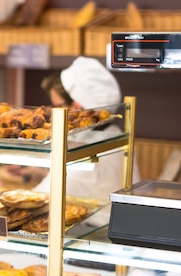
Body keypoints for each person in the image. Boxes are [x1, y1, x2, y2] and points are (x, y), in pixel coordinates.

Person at [35, 57, 141, 223]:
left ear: (77, 106)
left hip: (91, 236)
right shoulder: (114, 136)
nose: (52, 112)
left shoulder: (88, 151)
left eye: (57, 106)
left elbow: (39, 198)